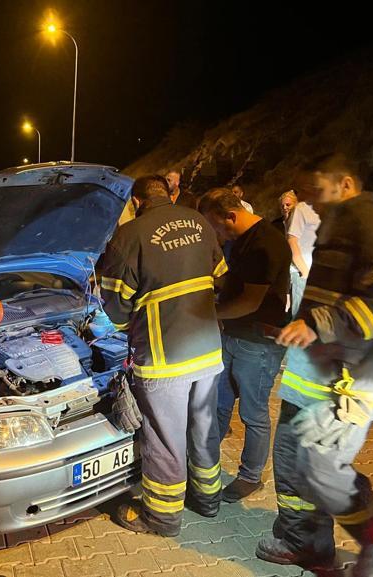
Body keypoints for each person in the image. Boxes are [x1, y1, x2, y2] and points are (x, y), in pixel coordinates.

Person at [256, 153, 373, 577]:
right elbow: (330, 297)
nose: (309, 203)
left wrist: (319, 324)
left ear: (345, 184)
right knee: (305, 468)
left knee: (319, 471)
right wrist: (299, 325)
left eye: (315, 192)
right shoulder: (339, 227)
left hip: (348, 383)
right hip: (317, 375)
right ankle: (321, 542)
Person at [99, 175, 228, 536]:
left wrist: (128, 326)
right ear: (168, 194)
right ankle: (207, 499)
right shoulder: (199, 223)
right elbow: (220, 276)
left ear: (136, 201)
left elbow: (114, 304)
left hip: (162, 355)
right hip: (206, 350)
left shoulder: (129, 236)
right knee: (204, 428)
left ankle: (162, 517)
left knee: (165, 438)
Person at [198, 188, 291, 502]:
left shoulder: (267, 243)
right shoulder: (240, 240)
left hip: (259, 343)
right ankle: (203, 465)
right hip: (234, 336)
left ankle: (251, 476)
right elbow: (231, 283)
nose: (215, 233)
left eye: (215, 226)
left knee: (253, 413)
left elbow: (250, 302)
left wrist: (208, 312)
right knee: (219, 405)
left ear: (231, 216)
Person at [285, 191, 321, 317]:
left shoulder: (324, 210)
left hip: (315, 271)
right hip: (302, 271)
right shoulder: (301, 209)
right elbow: (292, 240)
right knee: (300, 314)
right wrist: (304, 271)